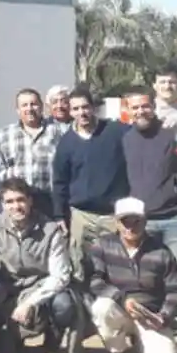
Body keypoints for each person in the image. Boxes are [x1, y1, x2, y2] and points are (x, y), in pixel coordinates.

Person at [121, 86, 177, 335]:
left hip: (175, 219)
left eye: (145, 105)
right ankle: (156, 330)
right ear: (127, 110)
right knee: (148, 279)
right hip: (142, 222)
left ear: (154, 106)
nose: (141, 111)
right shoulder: (126, 138)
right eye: (135, 107)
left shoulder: (175, 133)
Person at [0, 178, 80, 353]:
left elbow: (60, 276)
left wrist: (30, 302)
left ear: (30, 201)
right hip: (9, 290)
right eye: (10, 202)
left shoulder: (51, 230)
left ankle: (52, 345)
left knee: (64, 304)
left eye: (20, 200)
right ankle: (10, 334)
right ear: (3, 205)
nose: (16, 206)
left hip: (42, 291)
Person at [86, 197, 177, 353]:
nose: (131, 227)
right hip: (119, 308)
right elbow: (95, 281)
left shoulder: (161, 251)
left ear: (145, 221)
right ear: (116, 222)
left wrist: (164, 316)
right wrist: (122, 299)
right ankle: (120, 351)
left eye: (136, 221)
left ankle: (139, 348)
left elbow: (175, 290)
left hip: (150, 315)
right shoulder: (102, 245)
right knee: (101, 307)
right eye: (125, 221)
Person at [51, 85, 130, 276]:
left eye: (85, 107)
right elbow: (60, 182)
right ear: (70, 112)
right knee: (79, 267)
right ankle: (81, 306)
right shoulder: (66, 143)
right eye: (76, 109)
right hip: (81, 216)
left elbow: (144, 133)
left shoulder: (116, 131)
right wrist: (59, 215)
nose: (81, 112)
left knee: (116, 267)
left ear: (93, 107)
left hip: (113, 216)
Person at [0, 88, 65, 220]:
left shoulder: (58, 133)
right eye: (24, 105)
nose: (29, 108)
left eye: (33, 104)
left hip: (49, 203)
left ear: (41, 107)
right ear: (17, 110)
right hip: (16, 204)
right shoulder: (4, 135)